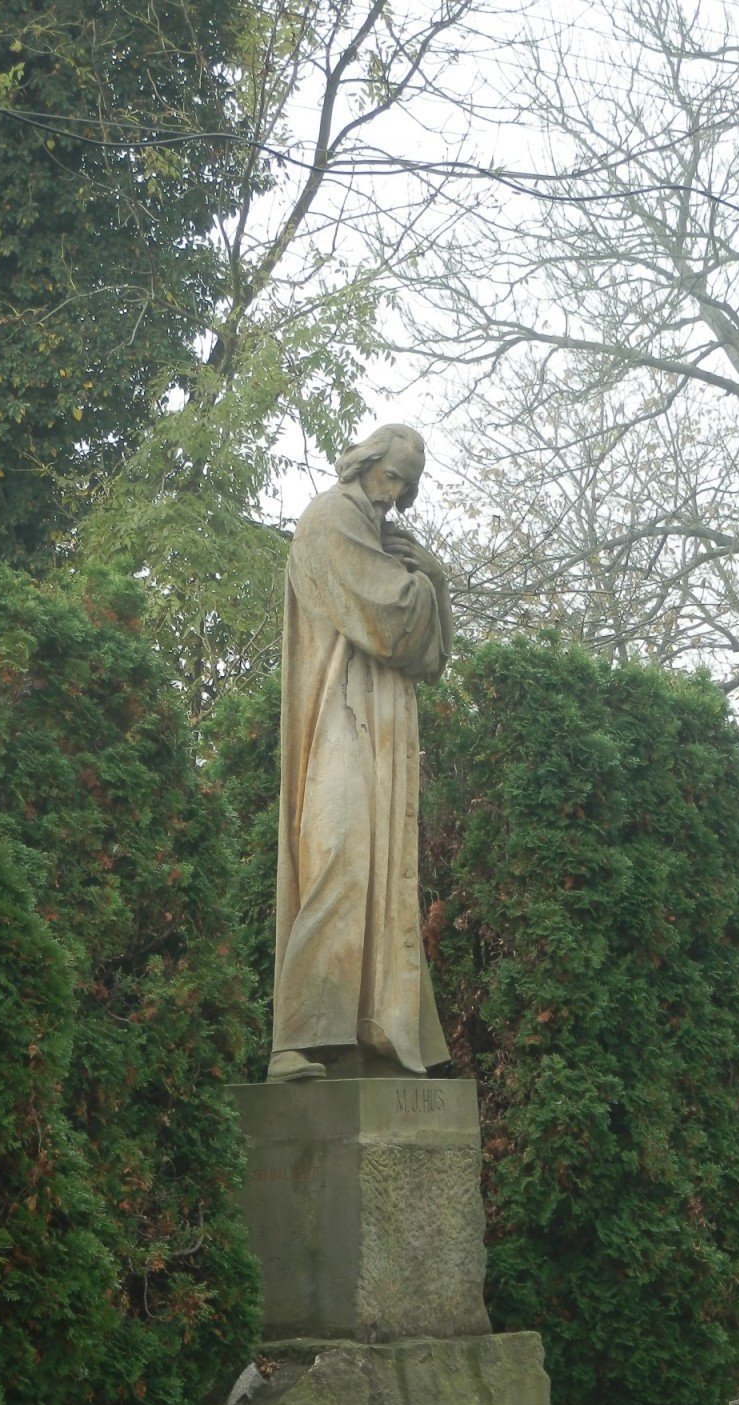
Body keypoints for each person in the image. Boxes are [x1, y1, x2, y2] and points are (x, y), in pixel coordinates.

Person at [268, 423, 452, 1083]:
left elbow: (422, 650)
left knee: (384, 876)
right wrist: (428, 577)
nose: (392, 493)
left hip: (378, 723)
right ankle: (295, 1038)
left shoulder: (374, 535)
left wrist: (426, 573)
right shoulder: (330, 523)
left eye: (404, 484)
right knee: (339, 857)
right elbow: (396, 617)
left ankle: (375, 1032)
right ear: (366, 463)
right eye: (389, 476)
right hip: (336, 722)